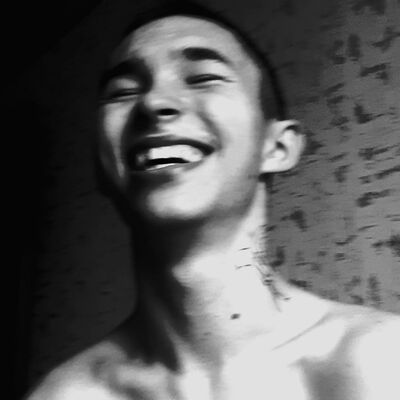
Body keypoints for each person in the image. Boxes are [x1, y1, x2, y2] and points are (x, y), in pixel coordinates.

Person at [26, 2, 400, 399]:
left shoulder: (383, 360)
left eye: (203, 77)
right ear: (101, 167)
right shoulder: (66, 394)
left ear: (277, 147)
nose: (154, 102)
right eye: (124, 91)